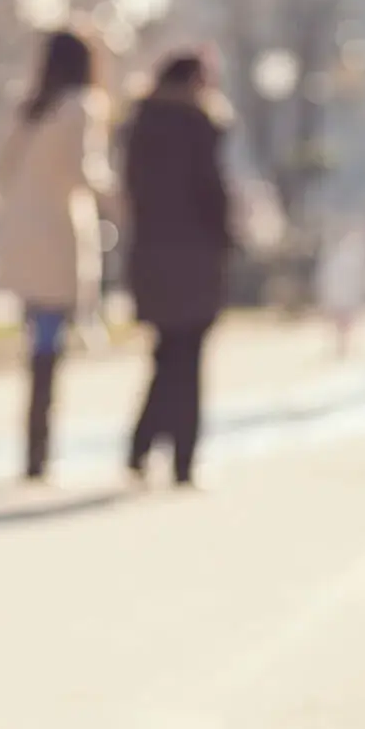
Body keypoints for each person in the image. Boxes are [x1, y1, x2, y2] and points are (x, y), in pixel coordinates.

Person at [0, 28, 115, 482]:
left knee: (38, 340)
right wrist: (123, 200)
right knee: (50, 345)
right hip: (59, 233)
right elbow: (89, 171)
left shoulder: (30, 110)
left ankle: (34, 444)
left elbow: (2, 170)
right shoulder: (83, 107)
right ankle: (39, 446)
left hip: (23, 234)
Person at [120, 49, 233, 488]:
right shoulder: (198, 125)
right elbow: (212, 193)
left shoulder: (139, 126)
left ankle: (141, 445)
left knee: (167, 355)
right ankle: (182, 458)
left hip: (150, 254)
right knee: (187, 361)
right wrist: (226, 240)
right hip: (194, 257)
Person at [314, 218, 365, 359]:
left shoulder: (346, 259)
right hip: (341, 296)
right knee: (342, 320)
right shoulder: (338, 260)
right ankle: (342, 344)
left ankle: (343, 344)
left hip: (343, 296)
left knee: (344, 321)